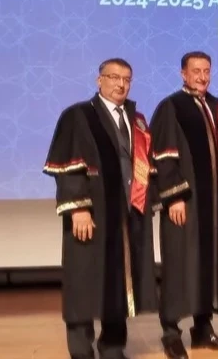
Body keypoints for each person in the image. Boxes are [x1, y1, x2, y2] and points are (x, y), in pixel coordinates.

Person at [42, 58, 158, 359]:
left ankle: (113, 347)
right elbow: (67, 166)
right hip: (92, 214)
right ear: (99, 80)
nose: (121, 84)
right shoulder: (78, 116)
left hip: (126, 215)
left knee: (119, 281)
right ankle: (81, 350)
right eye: (114, 77)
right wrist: (78, 208)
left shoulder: (137, 120)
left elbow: (144, 165)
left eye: (127, 79)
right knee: (83, 281)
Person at [148, 51, 218, 359]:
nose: (202, 76)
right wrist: (174, 196)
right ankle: (171, 333)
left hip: (213, 203)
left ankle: (202, 329)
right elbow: (163, 155)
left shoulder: (215, 107)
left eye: (206, 70)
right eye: (195, 71)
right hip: (185, 201)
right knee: (179, 264)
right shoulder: (171, 106)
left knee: (209, 262)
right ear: (183, 74)